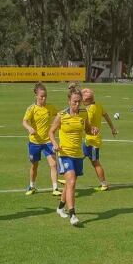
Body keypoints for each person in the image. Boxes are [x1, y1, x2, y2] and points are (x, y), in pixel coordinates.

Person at [48, 85, 97, 226]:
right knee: (71, 183)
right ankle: (73, 214)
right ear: (69, 100)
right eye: (74, 101)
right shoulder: (61, 115)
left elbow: (87, 129)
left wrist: (92, 130)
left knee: (69, 184)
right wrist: (54, 144)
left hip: (78, 154)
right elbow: (51, 132)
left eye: (79, 102)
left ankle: (59, 208)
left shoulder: (83, 114)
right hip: (64, 154)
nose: (77, 104)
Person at [22, 83, 59, 197]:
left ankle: (55, 188)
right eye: (42, 96)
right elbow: (24, 121)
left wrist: (58, 125)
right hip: (35, 142)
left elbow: (59, 116)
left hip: (48, 141)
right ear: (36, 96)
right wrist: (29, 128)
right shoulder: (31, 109)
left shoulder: (50, 107)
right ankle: (32, 186)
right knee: (34, 165)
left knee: (53, 164)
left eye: (45, 96)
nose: (44, 98)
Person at [80, 87, 118, 191]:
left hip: (92, 140)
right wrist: (112, 127)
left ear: (86, 100)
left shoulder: (89, 109)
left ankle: (104, 184)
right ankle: (70, 176)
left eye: (82, 99)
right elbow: (106, 116)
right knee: (78, 157)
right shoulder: (98, 105)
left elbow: (87, 122)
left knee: (95, 162)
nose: (81, 101)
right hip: (90, 139)